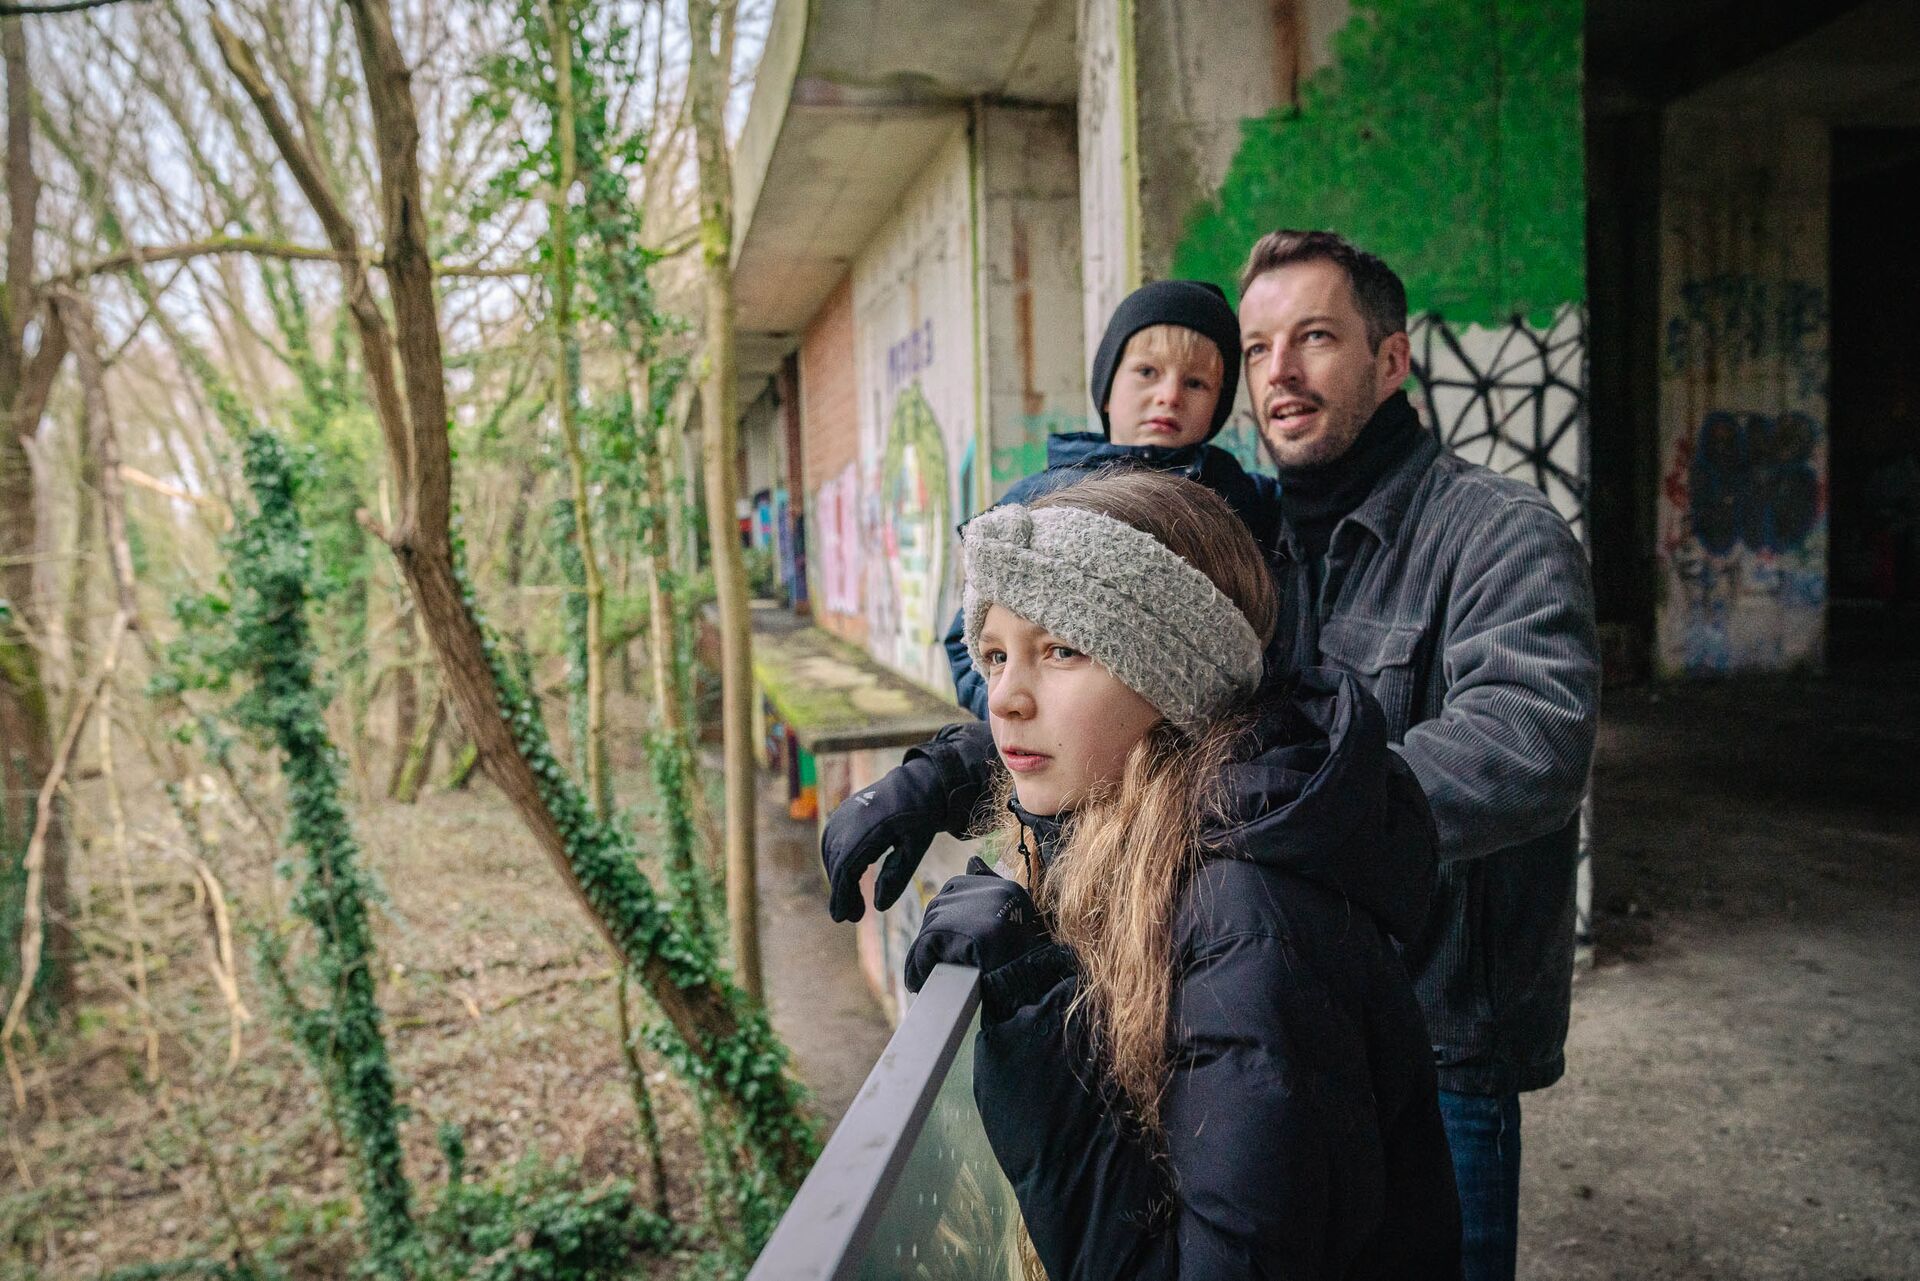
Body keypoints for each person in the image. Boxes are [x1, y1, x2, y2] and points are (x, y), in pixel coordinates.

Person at [826, 231, 1600, 1280]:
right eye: (1261, 343)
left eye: (1315, 337)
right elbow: (1156, 711)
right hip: (1242, 992)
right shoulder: (1250, 530)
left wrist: (1272, 816)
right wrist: (954, 771)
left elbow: (1531, 742)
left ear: (1391, 360)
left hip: (1439, 1018)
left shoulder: (1497, 532)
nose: (1278, 368)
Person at [905, 470, 1460, 1279]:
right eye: (995, 654)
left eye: (1063, 648)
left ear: (1178, 676)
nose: (1006, 700)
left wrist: (1031, 1010)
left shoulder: (1246, 916)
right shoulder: (1124, 837)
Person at [941, 278, 1278, 718]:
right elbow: (966, 643)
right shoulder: (1044, 500)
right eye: (1147, 372)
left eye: (1196, 383)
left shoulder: (1244, 499)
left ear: (1218, 406)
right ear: (1106, 389)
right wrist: (1022, 720)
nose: (1170, 395)